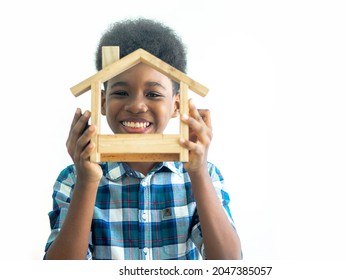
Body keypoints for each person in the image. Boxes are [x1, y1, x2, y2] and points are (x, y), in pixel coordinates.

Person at [44, 17, 241, 260]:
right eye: (121, 92)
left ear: (176, 106)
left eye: (153, 94)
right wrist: (87, 181)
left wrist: (198, 172)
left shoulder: (203, 175)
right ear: (102, 102)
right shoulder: (74, 178)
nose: (136, 105)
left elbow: (229, 264)